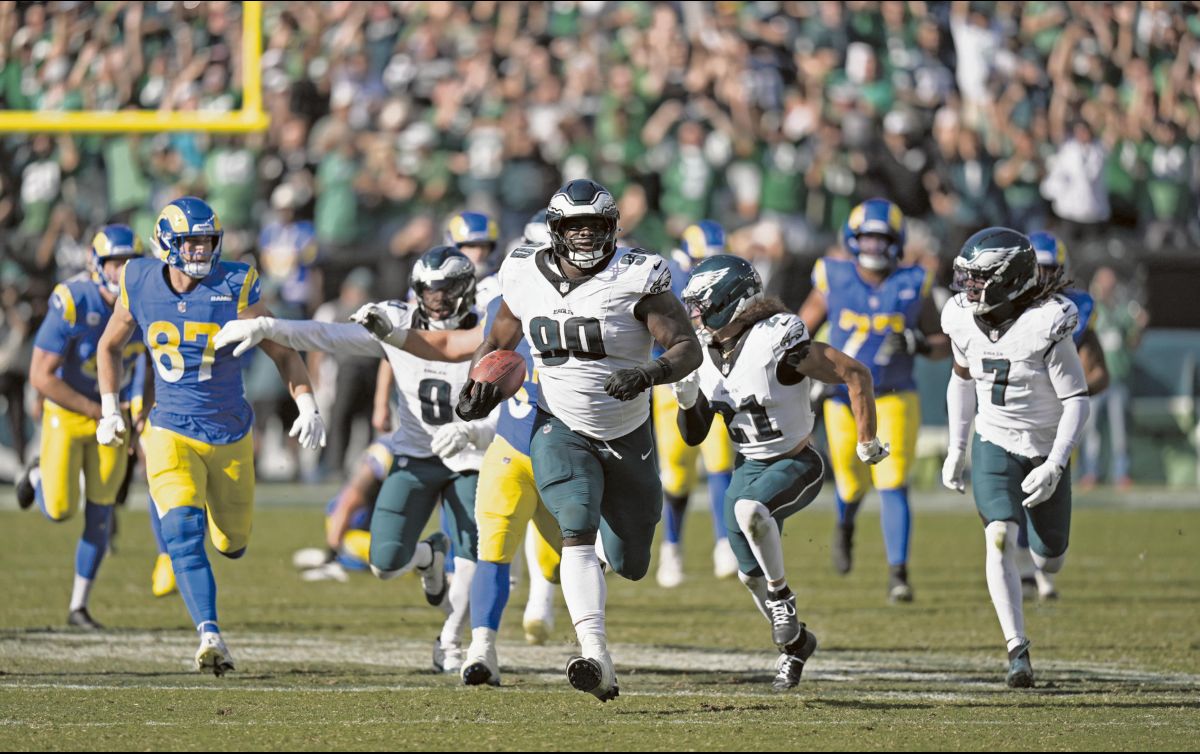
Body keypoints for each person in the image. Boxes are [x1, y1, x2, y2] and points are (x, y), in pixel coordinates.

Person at [456, 179, 703, 702]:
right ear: (556, 230)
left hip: (628, 433)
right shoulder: (523, 271)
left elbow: (686, 347)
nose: (586, 235)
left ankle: (599, 613)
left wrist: (648, 374)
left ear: (614, 227)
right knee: (575, 529)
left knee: (632, 560)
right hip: (559, 424)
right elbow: (500, 338)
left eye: (596, 225)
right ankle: (595, 654)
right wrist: (477, 384)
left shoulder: (637, 274)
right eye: (575, 225)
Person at [215, 246, 499, 675]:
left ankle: (453, 640)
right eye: (428, 290)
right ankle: (427, 558)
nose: (436, 300)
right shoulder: (397, 320)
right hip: (415, 452)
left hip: (472, 454)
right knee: (384, 563)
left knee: (473, 556)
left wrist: (475, 429)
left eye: (445, 291)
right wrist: (270, 326)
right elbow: (328, 336)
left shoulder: (490, 329)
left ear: (465, 290)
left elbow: (511, 400)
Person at [95, 197, 326, 675]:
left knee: (232, 542)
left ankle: (221, 561)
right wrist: (108, 407)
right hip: (169, 430)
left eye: (206, 240)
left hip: (230, 434)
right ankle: (210, 635)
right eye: (190, 241)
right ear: (166, 244)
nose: (200, 250)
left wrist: (306, 402)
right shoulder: (137, 280)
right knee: (182, 533)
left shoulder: (235, 284)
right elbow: (109, 345)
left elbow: (282, 349)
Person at [677, 254, 887, 690]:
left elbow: (854, 373)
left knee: (752, 515)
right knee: (746, 571)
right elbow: (694, 435)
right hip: (747, 467)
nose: (695, 314)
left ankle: (782, 597)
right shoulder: (706, 351)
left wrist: (866, 438)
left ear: (728, 300)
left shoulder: (777, 339)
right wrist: (686, 399)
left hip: (796, 462)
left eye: (702, 303)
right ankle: (795, 647)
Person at [941, 227, 1090, 688]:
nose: (968, 289)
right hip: (994, 440)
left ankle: (1041, 565)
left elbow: (1078, 400)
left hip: (1045, 449)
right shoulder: (961, 318)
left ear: (1008, 279)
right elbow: (961, 381)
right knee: (1000, 538)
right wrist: (957, 447)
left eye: (979, 278)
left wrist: (1056, 463)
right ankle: (1016, 650)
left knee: (1050, 561)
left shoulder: (1046, 322)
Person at [798, 198, 950, 602]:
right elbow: (797, 330)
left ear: (895, 241)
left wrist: (919, 341)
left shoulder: (914, 282)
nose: (873, 247)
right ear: (853, 239)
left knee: (893, 479)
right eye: (866, 238)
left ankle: (898, 573)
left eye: (882, 239)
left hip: (894, 396)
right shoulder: (832, 276)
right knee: (849, 480)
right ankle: (845, 525)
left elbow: (943, 344)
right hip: (841, 397)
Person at [15, 225, 151, 628]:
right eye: (115, 263)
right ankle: (39, 473)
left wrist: (138, 408)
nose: (122, 271)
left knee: (102, 510)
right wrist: (97, 409)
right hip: (70, 411)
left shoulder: (146, 301)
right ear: (96, 264)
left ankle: (79, 605)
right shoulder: (74, 299)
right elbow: (41, 376)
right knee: (58, 509)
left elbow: (149, 360)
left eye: (129, 263)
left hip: (112, 414)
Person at [1020, 231, 1109, 600]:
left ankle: (1040, 565)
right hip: (1012, 412)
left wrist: (1070, 398)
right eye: (1036, 270)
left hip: (1054, 420)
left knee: (1044, 488)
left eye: (1050, 270)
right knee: (1011, 489)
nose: (1043, 279)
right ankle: (1024, 566)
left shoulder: (1073, 311)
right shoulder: (1006, 307)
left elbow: (1100, 373)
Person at [651, 220, 739, 587]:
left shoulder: (732, 282)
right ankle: (671, 547)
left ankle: (724, 542)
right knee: (675, 471)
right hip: (672, 380)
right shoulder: (665, 280)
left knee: (721, 459)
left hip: (716, 377)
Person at [445, 211, 501, 306]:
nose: (478, 252)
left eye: (484, 246)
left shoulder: (501, 281)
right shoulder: (437, 279)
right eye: (471, 246)